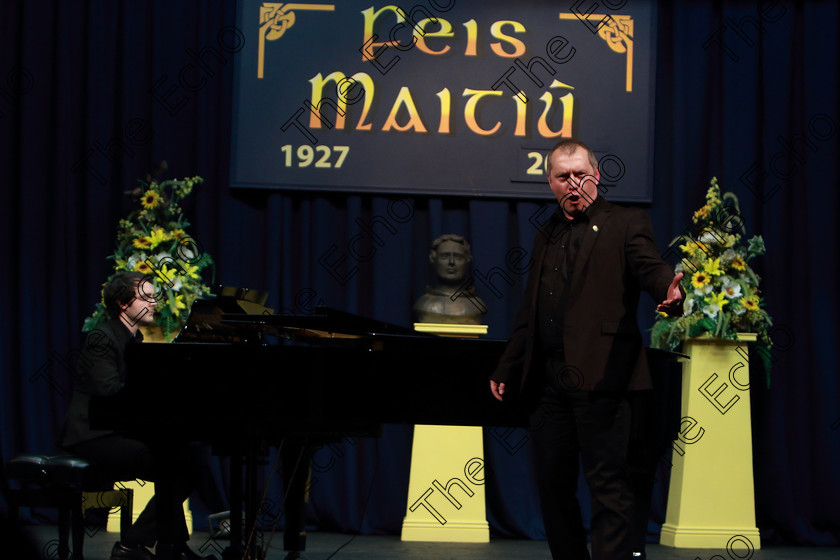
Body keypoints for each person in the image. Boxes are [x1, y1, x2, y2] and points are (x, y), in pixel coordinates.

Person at [489, 140, 684, 560]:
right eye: (563, 176)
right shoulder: (547, 232)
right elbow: (531, 308)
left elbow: (649, 266)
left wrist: (667, 288)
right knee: (552, 485)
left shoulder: (625, 222)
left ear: (596, 174)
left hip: (605, 379)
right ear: (551, 183)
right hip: (549, 382)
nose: (573, 183)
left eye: (581, 174)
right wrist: (509, 364)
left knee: (609, 487)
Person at [60, 271, 215, 560]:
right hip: (92, 434)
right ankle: (134, 545)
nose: (154, 302)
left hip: (116, 429)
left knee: (189, 458)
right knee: (174, 463)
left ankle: (171, 546)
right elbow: (109, 391)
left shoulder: (135, 338)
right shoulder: (101, 337)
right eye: (146, 297)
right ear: (122, 304)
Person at [413, 234, 487, 324]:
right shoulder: (423, 304)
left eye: (458, 257)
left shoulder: (477, 305)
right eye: (444, 256)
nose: (451, 262)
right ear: (433, 259)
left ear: (468, 260)